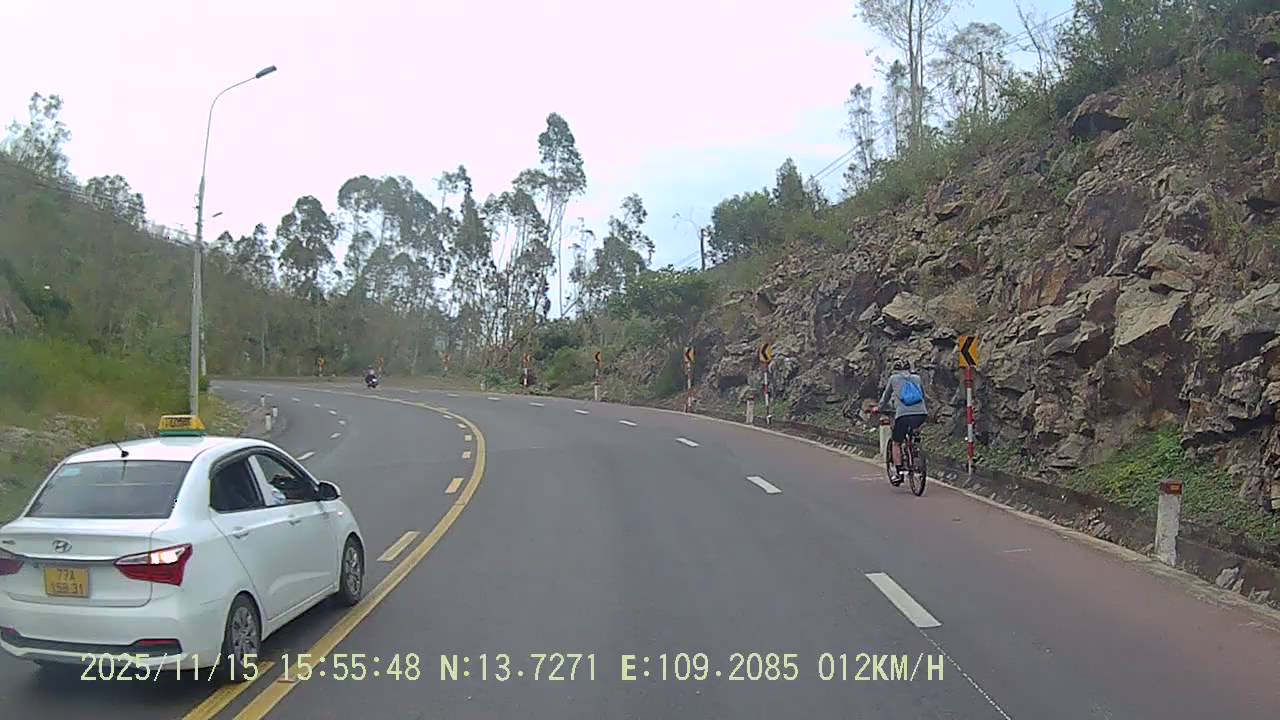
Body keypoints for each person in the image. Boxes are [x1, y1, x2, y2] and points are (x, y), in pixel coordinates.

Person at [878, 356, 928, 482]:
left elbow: (885, 397)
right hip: (921, 414)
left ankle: (899, 472)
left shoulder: (893, 379)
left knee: (896, 442)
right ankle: (915, 448)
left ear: (895, 370)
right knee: (913, 431)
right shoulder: (917, 378)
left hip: (903, 415)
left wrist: (879, 408)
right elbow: (923, 395)